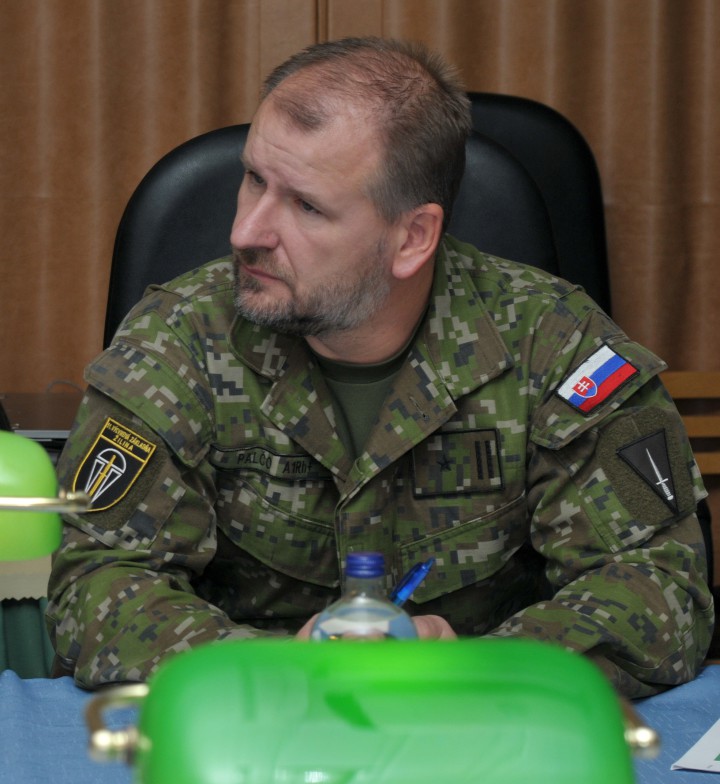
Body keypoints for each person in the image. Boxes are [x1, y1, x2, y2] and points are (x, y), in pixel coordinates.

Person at [47, 36, 713, 695]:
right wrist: (272, 668)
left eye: (307, 206)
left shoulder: (554, 344)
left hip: (479, 731)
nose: (245, 232)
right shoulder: (180, 339)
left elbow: (662, 585)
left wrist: (476, 670)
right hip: (248, 725)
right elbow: (96, 582)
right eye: (253, 179)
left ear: (412, 237)